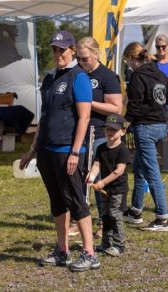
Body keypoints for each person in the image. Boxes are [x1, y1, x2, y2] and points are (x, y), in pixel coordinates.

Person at [17, 31, 99, 272]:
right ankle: (62, 249)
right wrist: (33, 149)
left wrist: (75, 152)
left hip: (67, 149)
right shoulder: (50, 78)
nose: (58, 54)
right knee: (57, 202)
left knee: (76, 200)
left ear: (72, 50)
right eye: (54, 49)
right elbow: (44, 116)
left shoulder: (79, 77)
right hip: (47, 149)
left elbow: (84, 117)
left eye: (62, 50)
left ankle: (89, 252)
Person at [123, 43, 168, 231]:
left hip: (145, 128)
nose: (128, 66)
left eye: (128, 62)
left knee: (152, 173)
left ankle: (162, 218)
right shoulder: (160, 74)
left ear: (133, 59)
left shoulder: (137, 76)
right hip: (161, 127)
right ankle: (135, 211)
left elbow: (133, 106)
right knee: (140, 168)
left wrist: (122, 126)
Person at [75, 37, 123, 224]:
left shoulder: (107, 76)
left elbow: (116, 107)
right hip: (80, 132)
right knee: (79, 176)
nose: (81, 62)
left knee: (99, 178)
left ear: (96, 54)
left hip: (100, 133)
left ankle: (105, 220)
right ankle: (79, 217)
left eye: (85, 58)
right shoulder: (78, 73)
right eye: (78, 58)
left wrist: (87, 102)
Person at [87, 114, 130, 256]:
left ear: (123, 132)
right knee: (105, 215)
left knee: (115, 215)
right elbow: (97, 165)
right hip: (104, 189)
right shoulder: (101, 148)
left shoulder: (123, 150)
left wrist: (102, 182)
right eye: (107, 129)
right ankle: (106, 243)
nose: (110, 132)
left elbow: (119, 171)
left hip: (118, 189)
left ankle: (119, 245)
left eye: (114, 130)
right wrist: (92, 176)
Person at [154, 34, 168, 166]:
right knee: (159, 136)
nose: (161, 49)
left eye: (163, 46)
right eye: (158, 47)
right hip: (157, 105)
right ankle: (167, 162)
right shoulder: (153, 63)